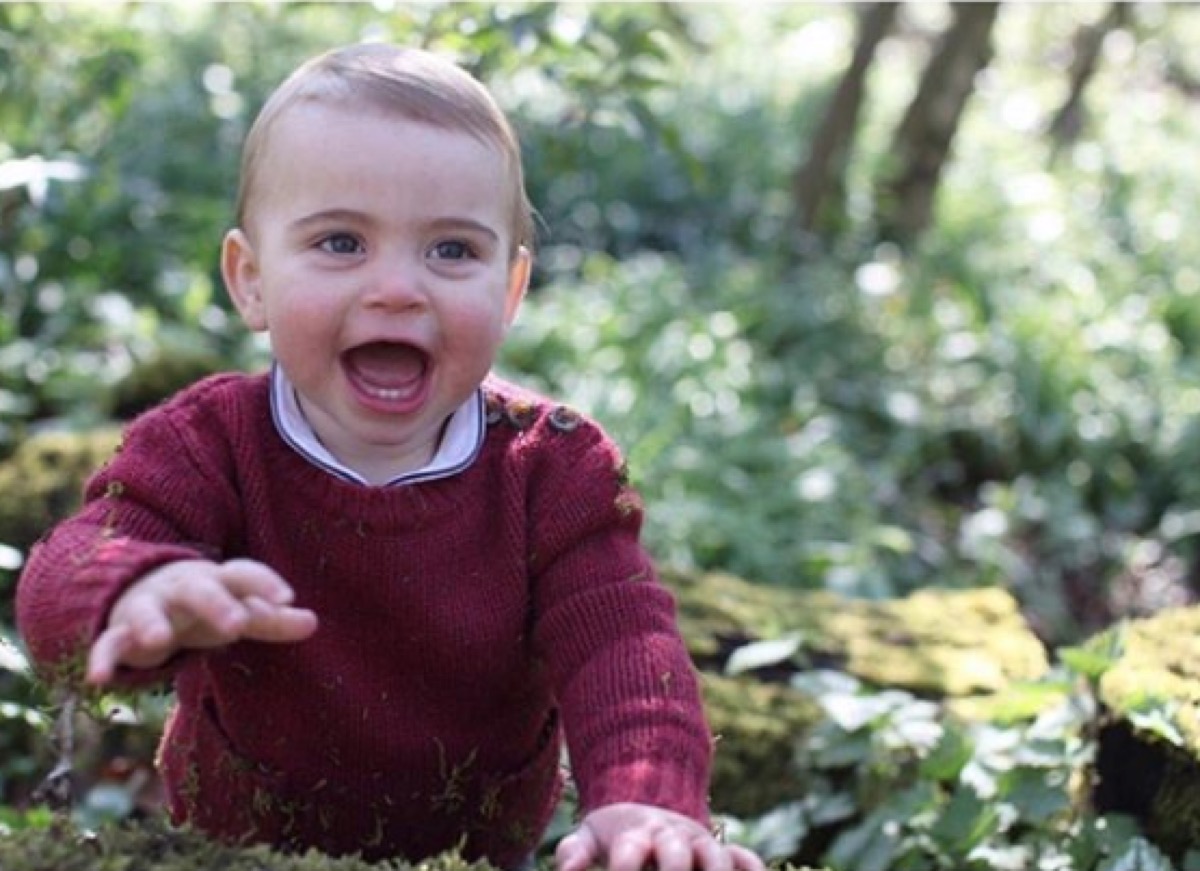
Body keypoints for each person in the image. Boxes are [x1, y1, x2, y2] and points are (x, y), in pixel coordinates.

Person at [16, 42, 764, 871]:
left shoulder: (551, 469)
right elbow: (64, 571)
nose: (399, 288)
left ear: (510, 291)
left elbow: (622, 640)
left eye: (451, 250)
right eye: (341, 242)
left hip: (473, 851)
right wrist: (137, 584)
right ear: (251, 278)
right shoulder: (208, 442)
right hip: (232, 848)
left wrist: (645, 799)